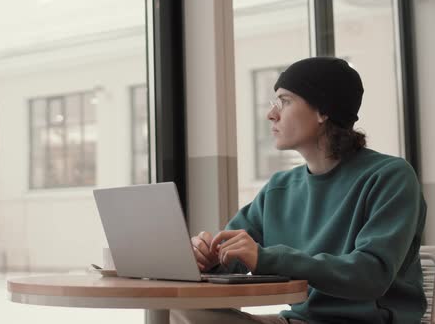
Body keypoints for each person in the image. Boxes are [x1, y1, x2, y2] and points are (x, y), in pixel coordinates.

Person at [172, 57, 427, 324]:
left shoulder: (390, 177)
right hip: (298, 321)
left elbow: (372, 275)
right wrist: (208, 257)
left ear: (323, 111)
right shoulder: (279, 188)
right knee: (185, 307)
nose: (271, 114)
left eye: (285, 100)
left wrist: (267, 258)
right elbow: (232, 255)